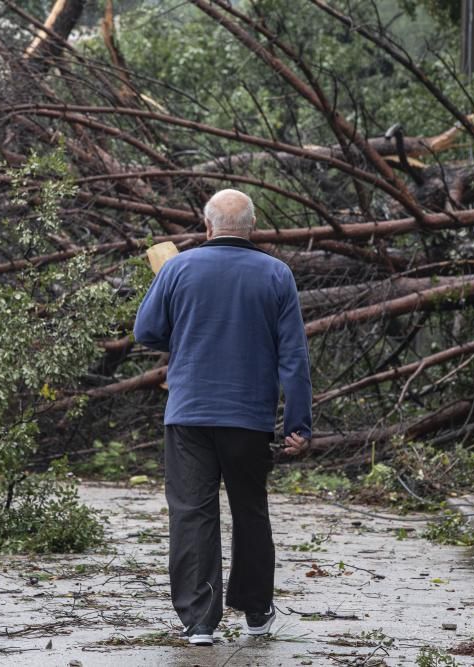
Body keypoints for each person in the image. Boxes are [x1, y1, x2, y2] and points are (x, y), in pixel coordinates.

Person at [133, 189, 312, 647]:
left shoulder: (177, 268)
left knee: (192, 513)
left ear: (207, 226)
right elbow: (293, 355)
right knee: (249, 510)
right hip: (248, 418)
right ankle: (255, 612)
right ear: (251, 228)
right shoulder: (277, 274)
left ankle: (199, 622)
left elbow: (146, 331)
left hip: (189, 413)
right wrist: (298, 423)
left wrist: (189, 325)